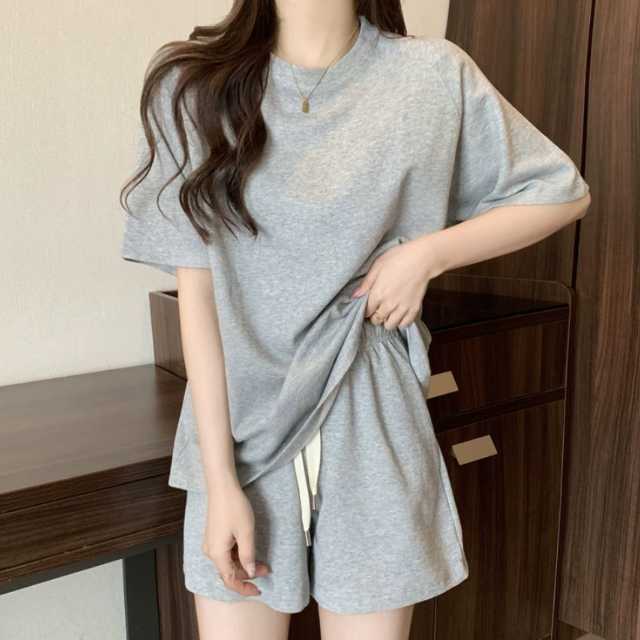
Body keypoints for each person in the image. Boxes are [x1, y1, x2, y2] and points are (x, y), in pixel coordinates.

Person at [119, 1, 591, 638]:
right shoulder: (191, 85)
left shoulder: (430, 76)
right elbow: (199, 299)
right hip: (243, 425)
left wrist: (425, 255)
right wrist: (219, 479)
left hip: (372, 411)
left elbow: (560, 191)